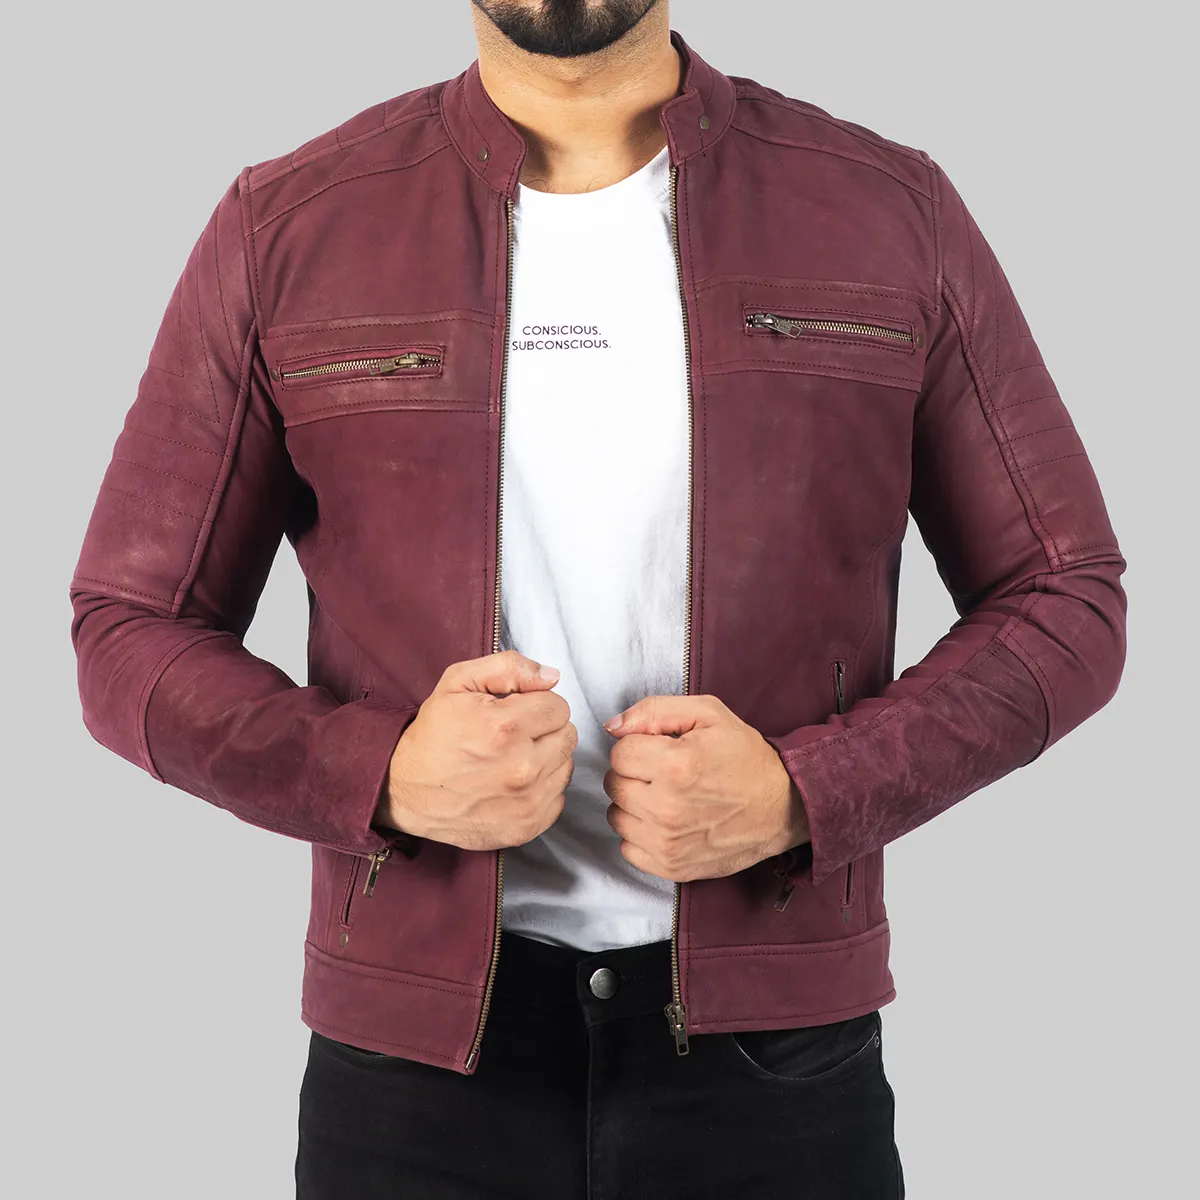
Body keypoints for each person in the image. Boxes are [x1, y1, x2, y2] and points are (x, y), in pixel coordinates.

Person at [68, 2, 1127, 1196]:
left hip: (775, 1057)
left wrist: (807, 791)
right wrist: (380, 776)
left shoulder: (887, 210)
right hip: (411, 1071)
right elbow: (127, 629)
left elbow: (1066, 595)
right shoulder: (291, 224)